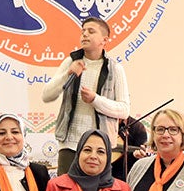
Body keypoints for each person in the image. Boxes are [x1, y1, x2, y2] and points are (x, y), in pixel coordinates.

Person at [41, 16, 130, 173]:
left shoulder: (115, 69)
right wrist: (67, 74)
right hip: (69, 143)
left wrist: (95, 100)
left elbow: (124, 110)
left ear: (104, 40)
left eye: (91, 31)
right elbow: (47, 95)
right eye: (83, 31)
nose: (85, 35)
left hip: (100, 147)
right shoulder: (71, 62)